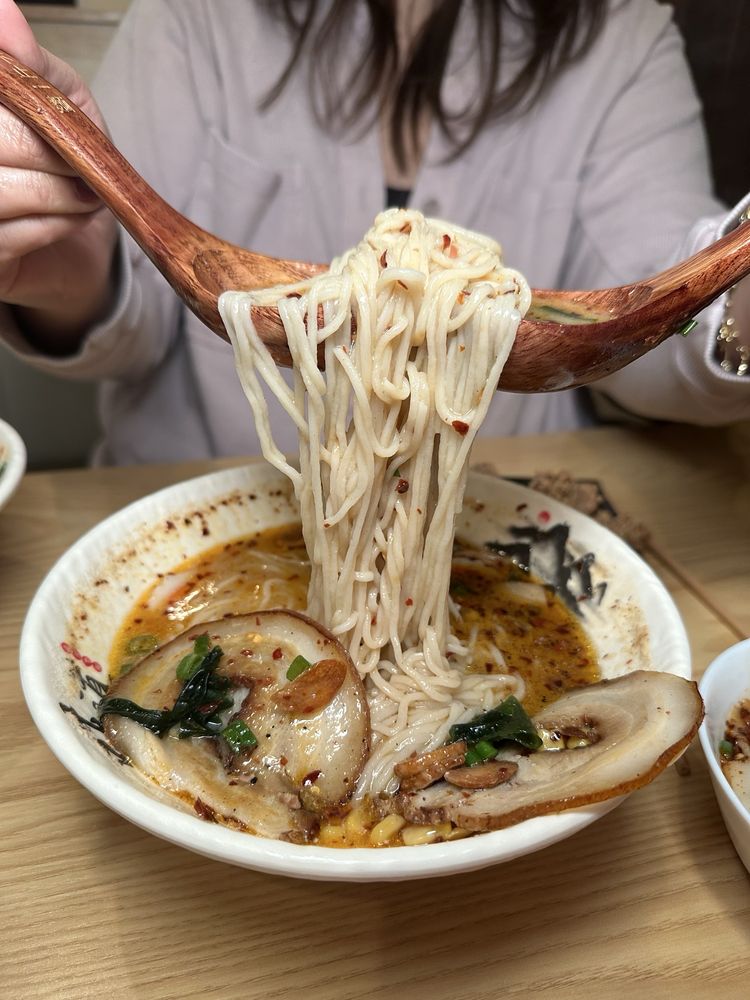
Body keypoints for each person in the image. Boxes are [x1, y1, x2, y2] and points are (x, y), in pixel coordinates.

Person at [0, 0, 748, 466]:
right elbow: (137, 324)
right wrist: (70, 264)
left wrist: (737, 307)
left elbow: (649, 331)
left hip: (496, 528)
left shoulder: (625, 33)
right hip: (186, 513)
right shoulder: (194, 17)